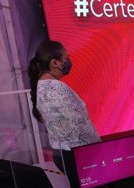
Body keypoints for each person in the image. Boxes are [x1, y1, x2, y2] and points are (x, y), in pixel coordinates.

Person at [28, 40, 100, 170]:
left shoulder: (40, 87)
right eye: (66, 59)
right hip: (79, 155)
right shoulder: (57, 88)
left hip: (62, 153)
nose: (69, 62)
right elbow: (78, 125)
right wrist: (100, 148)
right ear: (54, 63)